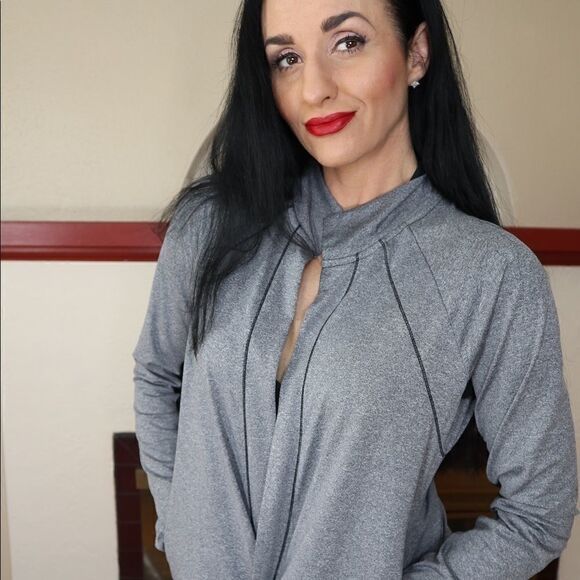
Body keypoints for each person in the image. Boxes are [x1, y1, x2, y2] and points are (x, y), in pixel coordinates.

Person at [132, 1, 579, 578]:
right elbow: (157, 375)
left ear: (417, 52)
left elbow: (541, 510)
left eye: (347, 42)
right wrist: (181, 529)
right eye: (287, 58)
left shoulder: (490, 275)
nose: (313, 88)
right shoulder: (209, 224)